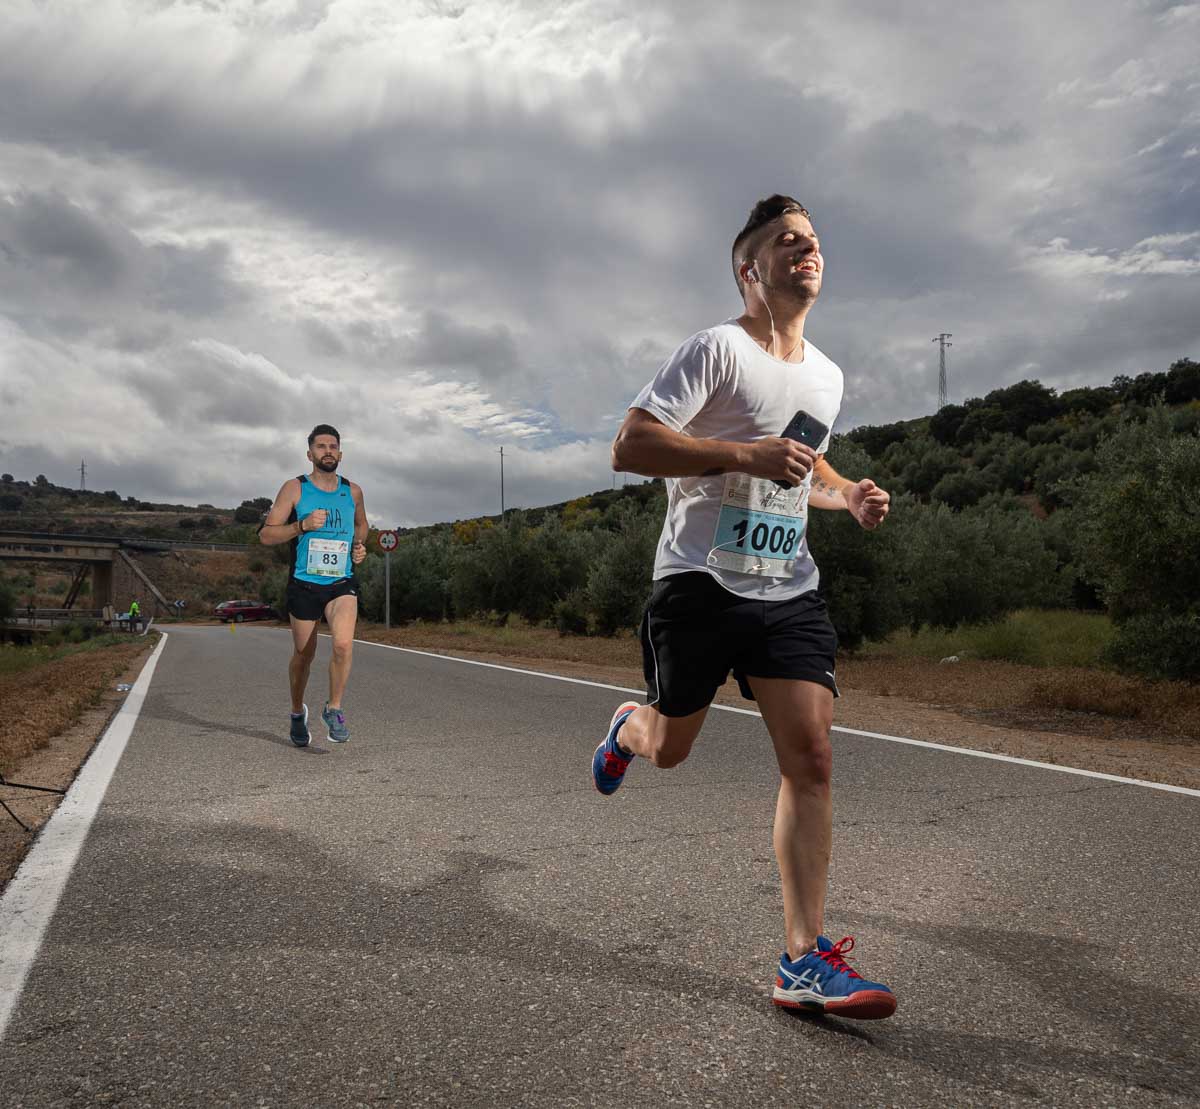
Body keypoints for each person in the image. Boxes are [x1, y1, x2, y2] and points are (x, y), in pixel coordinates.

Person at [593, 195, 896, 1019]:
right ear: (748, 267)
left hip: (787, 586)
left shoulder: (827, 375)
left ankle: (802, 959)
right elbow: (630, 445)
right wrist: (739, 451)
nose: (806, 251)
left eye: (813, 241)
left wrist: (849, 499)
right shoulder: (715, 350)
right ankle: (630, 726)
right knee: (670, 748)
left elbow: (808, 468)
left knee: (814, 757)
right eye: (785, 242)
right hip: (697, 581)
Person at [260, 424, 368, 747]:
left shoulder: (354, 492)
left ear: (341, 453)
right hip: (304, 584)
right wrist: (301, 525)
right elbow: (266, 535)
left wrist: (359, 546)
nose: (328, 451)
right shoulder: (295, 489)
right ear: (310, 454)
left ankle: (333, 709)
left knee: (343, 644)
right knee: (304, 656)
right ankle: (296, 712)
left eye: (333, 446)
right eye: (321, 446)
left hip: (341, 582)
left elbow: (361, 525)